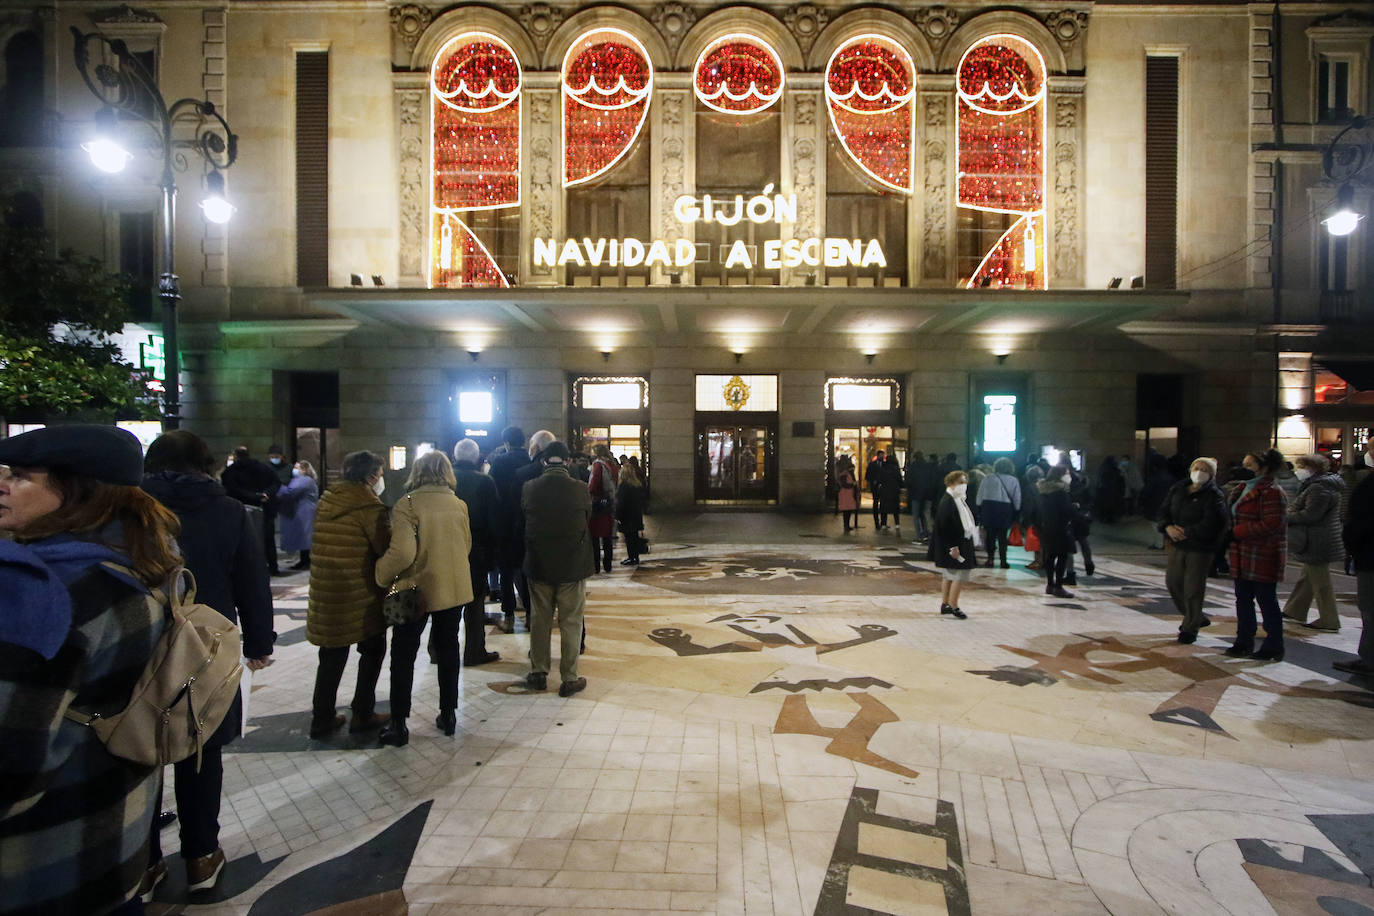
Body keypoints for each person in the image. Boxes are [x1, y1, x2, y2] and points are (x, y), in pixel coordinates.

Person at [0, 425, 180, 915]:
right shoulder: (141, 568)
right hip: (114, 847)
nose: (2, 484)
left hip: (35, 869)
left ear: (77, 490)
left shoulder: (37, 589)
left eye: (20, 476)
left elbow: (11, 761)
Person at [140, 430, 275, 895]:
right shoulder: (227, 510)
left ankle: (146, 862)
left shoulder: (128, 506)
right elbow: (250, 580)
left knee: (140, 747)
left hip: (138, 641)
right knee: (201, 745)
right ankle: (200, 856)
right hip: (205, 643)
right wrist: (260, 641)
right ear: (206, 462)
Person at [374, 451, 473, 745]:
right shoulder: (458, 504)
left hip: (415, 591)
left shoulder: (409, 504)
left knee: (403, 654)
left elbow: (403, 552)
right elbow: (465, 544)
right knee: (448, 650)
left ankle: (398, 722)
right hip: (453, 587)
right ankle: (449, 713)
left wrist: (380, 574)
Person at [306, 450, 391, 739]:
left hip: (327, 591)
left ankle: (322, 717)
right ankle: (363, 713)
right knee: (373, 648)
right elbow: (384, 549)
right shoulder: (368, 507)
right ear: (370, 476)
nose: (381, 480)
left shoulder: (328, 499)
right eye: (379, 475)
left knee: (331, 653)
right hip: (359, 593)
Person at [522, 441, 596, 697]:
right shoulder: (580, 489)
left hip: (539, 564)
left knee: (540, 620)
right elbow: (587, 520)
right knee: (571, 621)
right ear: (567, 462)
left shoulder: (529, 488)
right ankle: (569, 677)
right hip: (572, 565)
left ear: (543, 461)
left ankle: (538, 672)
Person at [1224, 448, 1289, 662]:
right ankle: (1243, 640)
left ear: (1264, 468)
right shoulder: (1241, 488)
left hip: (1262, 553)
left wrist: (1236, 532)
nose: (1245, 469)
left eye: (1250, 465)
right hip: (1241, 553)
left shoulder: (1272, 491)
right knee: (1243, 599)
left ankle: (1273, 644)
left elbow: (1272, 523)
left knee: (1266, 600)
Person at [1158, 457, 1229, 643]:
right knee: (1173, 582)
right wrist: (1167, 527)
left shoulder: (1214, 495)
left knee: (1193, 587)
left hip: (1200, 547)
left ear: (1211, 474)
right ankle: (1195, 616)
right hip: (1177, 543)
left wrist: (1188, 532)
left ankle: (1190, 627)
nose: (1199, 472)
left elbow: (1215, 522)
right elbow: (1164, 511)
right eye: (1196, 467)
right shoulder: (1178, 489)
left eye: (1204, 469)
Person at [1282, 454, 1345, 632]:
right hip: (1320, 537)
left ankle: (1329, 619)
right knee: (1308, 576)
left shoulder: (1319, 488)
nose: (1298, 471)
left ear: (1311, 468)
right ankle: (1295, 609)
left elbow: (1311, 514)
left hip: (1318, 539)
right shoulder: (1321, 485)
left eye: (1300, 466)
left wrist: (1287, 517)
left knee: (1320, 581)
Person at [451, 438, 500, 667]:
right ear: (476, 457)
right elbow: (493, 521)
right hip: (476, 550)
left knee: (446, 601)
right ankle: (474, 651)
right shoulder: (484, 481)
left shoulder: (445, 479)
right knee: (474, 603)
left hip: (447, 549)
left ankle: (437, 649)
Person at [488, 426, 531, 633]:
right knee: (526, 569)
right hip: (526, 522)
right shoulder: (531, 461)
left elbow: (494, 493)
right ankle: (530, 611)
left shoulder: (500, 461)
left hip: (504, 522)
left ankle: (509, 614)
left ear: (506, 442)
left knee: (505, 570)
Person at [1336, 439, 1374, 676]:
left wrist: (1351, 541)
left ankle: (1369, 659)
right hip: (1367, 553)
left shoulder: (1370, 484)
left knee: (1370, 609)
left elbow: (1361, 521)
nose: (1367, 454)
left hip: (1370, 556)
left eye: (1370, 450)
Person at [220, 445, 283, 576]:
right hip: (265, 506)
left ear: (236, 456)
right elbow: (276, 482)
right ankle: (273, 567)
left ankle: (249, 569)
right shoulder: (263, 467)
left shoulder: (230, 471)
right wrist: (265, 494)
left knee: (245, 541)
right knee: (268, 539)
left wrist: (253, 496)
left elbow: (232, 489)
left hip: (242, 507)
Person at [931, 470, 977, 619]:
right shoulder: (949, 501)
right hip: (955, 546)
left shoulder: (956, 499)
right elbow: (946, 526)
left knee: (949, 574)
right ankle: (953, 605)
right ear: (951, 483)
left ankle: (945, 603)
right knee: (958, 574)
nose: (963, 486)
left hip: (956, 544)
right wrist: (953, 547)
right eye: (960, 483)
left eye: (965, 483)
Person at [1036, 465, 1078, 598]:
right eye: (1066, 473)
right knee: (1062, 556)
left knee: (1050, 556)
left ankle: (1050, 584)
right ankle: (1058, 586)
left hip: (1047, 527)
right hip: (1061, 527)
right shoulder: (1060, 492)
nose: (1068, 475)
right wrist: (1075, 507)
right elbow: (1066, 510)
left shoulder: (1043, 490)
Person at [976, 457, 1021, 569]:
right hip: (1005, 509)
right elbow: (1017, 498)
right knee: (1002, 536)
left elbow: (979, 495)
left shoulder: (987, 478)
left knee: (990, 536)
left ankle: (990, 559)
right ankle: (1003, 560)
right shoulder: (1013, 480)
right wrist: (1016, 510)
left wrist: (979, 508)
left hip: (989, 508)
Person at [277, 459, 319, 571]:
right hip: (305, 511)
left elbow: (290, 491)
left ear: (304, 469)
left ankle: (305, 561)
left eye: (297, 468)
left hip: (303, 512)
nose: (294, 470)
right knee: (304, 538)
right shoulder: (308, 480)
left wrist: (278, 488)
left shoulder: (303, 480)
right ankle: (304, 560)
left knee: (304, 538)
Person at [588, 444, 619, 573]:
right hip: (609, 502)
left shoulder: (598, 465)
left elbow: (594, 485)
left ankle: (596, 566)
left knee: (594, 535)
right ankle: (608, 564)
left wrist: (588, 491)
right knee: (607, 536)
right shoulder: (612, 465)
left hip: (597, 503)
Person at [616, 461, 647, 565]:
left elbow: (621, 502)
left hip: (627, 516)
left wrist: (617, 515)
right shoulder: (637, 485)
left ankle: (631, 557)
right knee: (634, 537)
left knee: (629, 538)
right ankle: (635, 557)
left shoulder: (623, 486)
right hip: (636, 515)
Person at [877, 453, 903, 534]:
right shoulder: (896, 469)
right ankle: (897, 524)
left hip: (885, 491)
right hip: (894, 491)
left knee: (884, 508)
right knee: (895, 508)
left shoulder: (883, 468)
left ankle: (884, 524)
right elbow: (900, 481)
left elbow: (879, 479)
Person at [836, 454, 860, 533]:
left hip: (850, 495)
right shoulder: (845, 475)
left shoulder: (849, 474)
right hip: (846, 494)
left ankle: (847, 525)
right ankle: (846, 525)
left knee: (849, 511)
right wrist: (853, 484)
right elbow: (844, 484)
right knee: (846, 511)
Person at [866, 450, 885, 530]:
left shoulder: (885, 465)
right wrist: (872, 482)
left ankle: (883, 522)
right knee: (875, 504)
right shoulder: (872, 465)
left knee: (883, 504)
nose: (882, 457)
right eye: (881, 455)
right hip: (875, 487)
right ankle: (877, 523)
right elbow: (867, 475)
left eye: (883, 455)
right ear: (878, 456)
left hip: (884, 487)